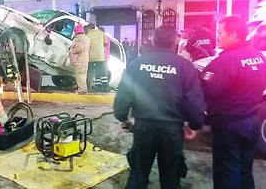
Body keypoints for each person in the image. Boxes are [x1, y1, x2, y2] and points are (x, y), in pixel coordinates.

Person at [113, 25, 206, 189]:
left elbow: (124, 93)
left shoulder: (137, 64)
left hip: (143, 128)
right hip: (172, 130)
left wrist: (122, 117)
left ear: (154, 41)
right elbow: (194, 100)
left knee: (138, 174)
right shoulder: (184, 66)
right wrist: (194, 124)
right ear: (175, 42)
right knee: (171, 177)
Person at [200, 16, 266, 189]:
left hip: (229, 124)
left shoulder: (224, 62)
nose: (217, 36)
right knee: (245, 168)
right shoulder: (258, 56)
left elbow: (207, 91)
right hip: (252, 119)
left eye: (220, 32)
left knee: (227, 170)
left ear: (233, 35)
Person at [85, 23, 108, 92]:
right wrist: (102, 48)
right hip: (100, 57)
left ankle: (95, 85)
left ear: (89, 28)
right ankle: (104, 86)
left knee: (91, 71)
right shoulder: (101, 33)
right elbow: (105, 43)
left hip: (91, 57)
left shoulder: (88, 35)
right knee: (102, 72)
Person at [70, 23, 90, 94]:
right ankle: (83, 89)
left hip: (80, 60)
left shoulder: (80, 38)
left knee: (80, 75)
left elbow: (78, 49)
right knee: (83, 76)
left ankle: (82, 90)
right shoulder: (86, 37)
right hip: (85, 60)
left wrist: (72, 49)